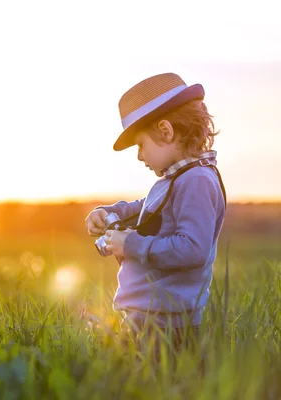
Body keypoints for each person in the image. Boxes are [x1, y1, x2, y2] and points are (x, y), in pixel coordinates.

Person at [85, 72, 227, 349]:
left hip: (168, 324)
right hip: (150, 316)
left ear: (165, 131)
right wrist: (108, 211)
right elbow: (145, 207)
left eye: (141, 145)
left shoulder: (196, 181)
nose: (139, 156)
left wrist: (132, 244)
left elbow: (192, 249)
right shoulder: (178, 179)